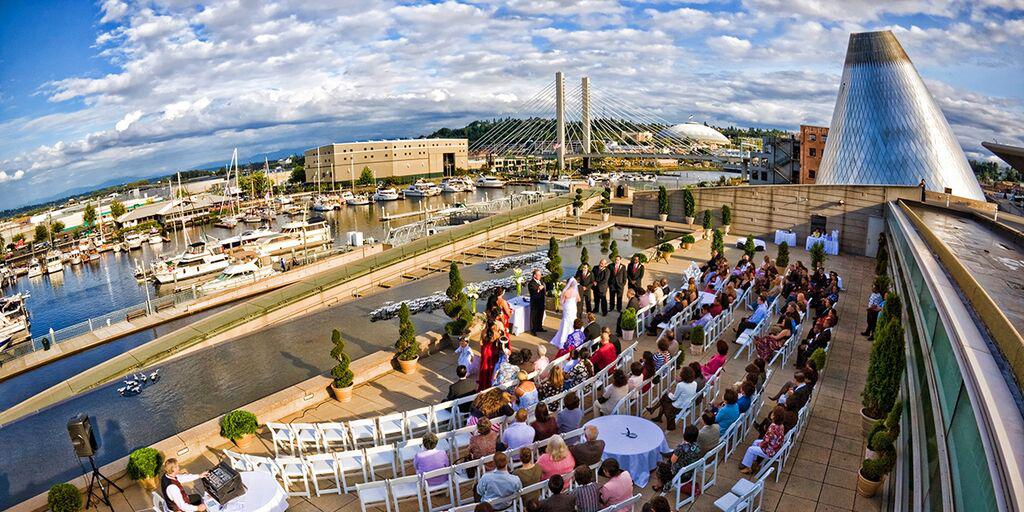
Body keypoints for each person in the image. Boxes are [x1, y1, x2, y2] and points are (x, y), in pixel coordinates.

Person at [653, 425, 701, 493]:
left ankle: (660, 485)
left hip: (679, 475)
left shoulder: (681, 448)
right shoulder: (697, 447)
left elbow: (673, 460)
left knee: (660, 467)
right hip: (689, 473)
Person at [648, 365, 697, 430]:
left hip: (678, 407)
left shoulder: (680, 385)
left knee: (664, 398)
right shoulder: (694, 383)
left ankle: (655, 411)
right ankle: (656, 413)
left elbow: (674, 398)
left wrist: (670, 393)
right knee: (665, 398)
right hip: (687, 404)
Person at [551, 278, 581, 349]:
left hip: (567, 307)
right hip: (573, 307)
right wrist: (573, 301)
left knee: (566, 321)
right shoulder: (575, 291)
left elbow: (562, 302)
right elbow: (579, 299)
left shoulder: (565, 291)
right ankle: (574, 335)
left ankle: (563, 337)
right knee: (573, 320)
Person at [528, 269, 547, 336]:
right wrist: (538, 289)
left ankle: (539, 327)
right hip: (535, 302)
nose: (540, 276)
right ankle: (533, 330)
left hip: (541, 301)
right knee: (534, 316)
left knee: (540, 315)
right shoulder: (531, 283)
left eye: (540, 274)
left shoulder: (541, 281)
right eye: (538, 275)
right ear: (534, 275)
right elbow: (532, 294)